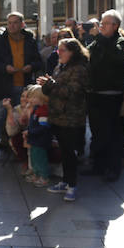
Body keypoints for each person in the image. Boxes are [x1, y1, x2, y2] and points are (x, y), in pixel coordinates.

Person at [0, 11, 43, 163]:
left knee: (23, 119)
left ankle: (21, 150)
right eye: (9, 22)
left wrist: (31, 66)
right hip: (5, 86)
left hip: (24, 87)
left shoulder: (29, 40)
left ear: (22, 24)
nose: (11, 25)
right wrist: (5, 68)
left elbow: (39, 62)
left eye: (15, 22)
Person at [40, 38, 90, 202]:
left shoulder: (79, 69)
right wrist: (47, 84)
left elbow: (72, 92)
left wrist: (51, 84)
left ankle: (72, 185)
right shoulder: (60, 66)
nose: (58, 53)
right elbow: (52, 90)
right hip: (58, 115)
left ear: (72, 52)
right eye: (58, 49)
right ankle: (65, 181)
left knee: (70, 152)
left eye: (63, 50)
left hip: (71, 117)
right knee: (64, 150)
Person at [86, 9, 124, 182]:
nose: (101, 27)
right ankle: (98, 166)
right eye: (101, 24)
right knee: (97, 133)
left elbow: (116, 58)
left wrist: (100, 38)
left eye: (104, 24)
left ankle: (113, 169)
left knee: (112, 134)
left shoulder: (122, 42)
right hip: (95, 93)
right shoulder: (97, 42)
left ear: (115, 26)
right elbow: (87, 55)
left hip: (112, 95)